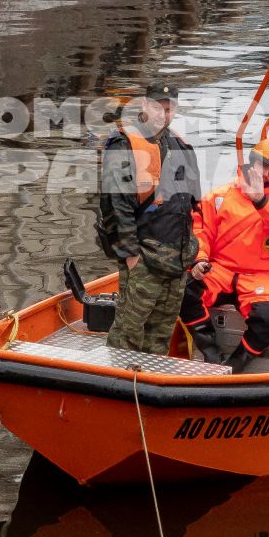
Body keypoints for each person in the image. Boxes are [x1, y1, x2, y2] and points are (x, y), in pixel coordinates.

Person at [178, 138, 269, 372]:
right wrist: (199, 259)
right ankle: (210, 353)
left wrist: (261, 200)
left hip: (264, 275)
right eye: (263, 164)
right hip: (220, 270)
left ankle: (236, 365)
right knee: (182, 291)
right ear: (252, 163)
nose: (267, 172)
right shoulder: (220, 195)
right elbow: (200, 231)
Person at [96, 83, 201, 355]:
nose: (162, 114)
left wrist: (191, 253)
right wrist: (131, 256)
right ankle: (118, 384)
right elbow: (115, 206)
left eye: (169, 109)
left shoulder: (181, 145)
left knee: (160, 337)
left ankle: (148, 387)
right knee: (128, 335)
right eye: (157, 107)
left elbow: (191, 205)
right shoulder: (125, 144)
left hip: (176, 263)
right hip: (144, 260)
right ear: (144, 105)